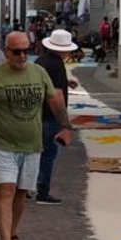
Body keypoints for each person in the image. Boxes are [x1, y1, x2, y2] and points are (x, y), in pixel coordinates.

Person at [0, 30, 75, 240]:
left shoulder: (38, 72)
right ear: (7, 52)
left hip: (31, 145)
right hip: (1, 143)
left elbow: (55, 100)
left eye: (25, 51)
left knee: (21, 192)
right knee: (6, 190)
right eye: (16, 51)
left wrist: (65, 126)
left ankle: (12, 234)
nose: (22, 56)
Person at [33, 29, 80, 207]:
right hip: (50, 116)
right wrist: (65, 123)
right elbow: (57, 95)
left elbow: (46, 83)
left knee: (34, 153)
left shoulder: (41, 61)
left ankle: (26, 188)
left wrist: (66, 82)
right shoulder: (57, 65)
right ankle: (42, 192)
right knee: (48, 155)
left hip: (37, 114)